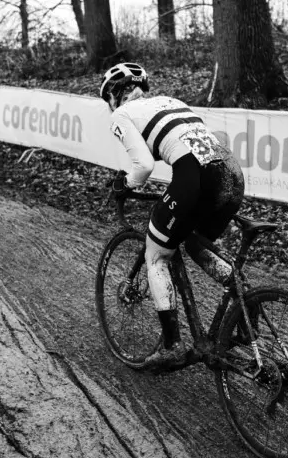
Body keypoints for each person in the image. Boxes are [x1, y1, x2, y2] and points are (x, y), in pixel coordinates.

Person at [101, 62, 245, 370]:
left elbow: (142, 167)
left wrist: (123, 184)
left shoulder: (122, 114)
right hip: (230, 173)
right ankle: (246, 314)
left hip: (196, 177)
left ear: (114, 95)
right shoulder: (172, 103)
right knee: (194, 243)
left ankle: (172, 345)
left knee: (156, 256)